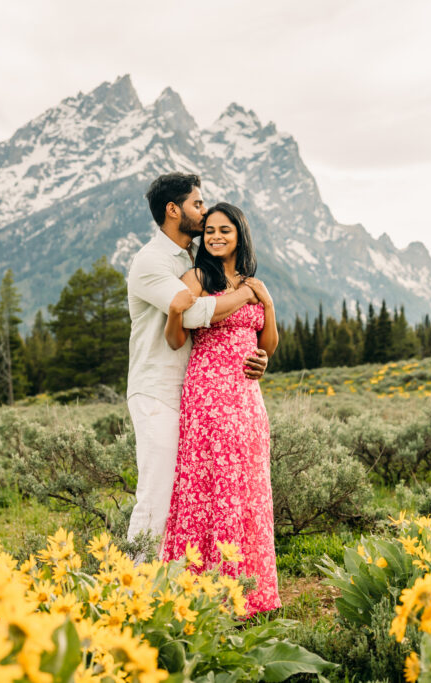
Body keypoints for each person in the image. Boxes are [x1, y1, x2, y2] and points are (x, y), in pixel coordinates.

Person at [125, 173, 267, 557]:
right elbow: (191, 315)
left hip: (188, 393)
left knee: (183, 494)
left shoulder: (186, 257)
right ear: (173, 210)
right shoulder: (152, 260)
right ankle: (131, 589)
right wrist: (248, 295)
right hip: (157, 390)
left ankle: (174, 586)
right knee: (156, 494)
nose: (204, 213)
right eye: (197, 204)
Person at [161, 202, 281, 615]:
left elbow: (266, 343)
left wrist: (265, 306)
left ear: (239, 234)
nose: (214, 237)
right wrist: (179, 311)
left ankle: (251, 595)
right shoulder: (198, 276)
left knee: (247, 490)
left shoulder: (254, 282)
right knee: (210, 491)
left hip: (247, 400)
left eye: (224, 230)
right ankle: (204, 593)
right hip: (209, 397)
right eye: (209, 230)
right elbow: (177, 333)